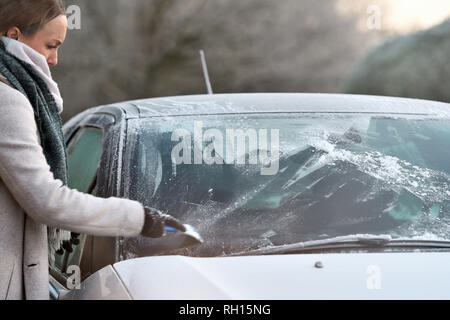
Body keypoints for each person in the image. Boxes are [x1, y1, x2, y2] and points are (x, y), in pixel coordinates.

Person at [0, 0, 186, 300]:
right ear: (16, 36)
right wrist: (140, 218)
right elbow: (46, 200)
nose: (55, 59)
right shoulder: (7, 101)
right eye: (51, 45)